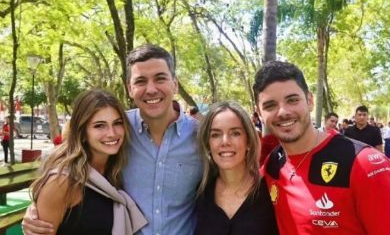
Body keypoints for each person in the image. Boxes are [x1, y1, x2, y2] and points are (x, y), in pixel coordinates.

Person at [23, 45, 202, 235]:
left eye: (160, 78)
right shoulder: (121, 126)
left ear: (175, 83)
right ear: (129, 88)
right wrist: (38, 210)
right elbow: (69, 152)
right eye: (140, 81)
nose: (151, 89)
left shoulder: (202, 136)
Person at [253, 61, 390, 234]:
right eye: (270, 105)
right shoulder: (272, 164)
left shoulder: (365, 165)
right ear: (259, 114)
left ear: (309, 101)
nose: (283, 112)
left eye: (292, 100)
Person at [28, 89, 147, 235]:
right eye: (99, 125)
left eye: (117, 123)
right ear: (82, 133)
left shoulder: (115, 172)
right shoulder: (61, 182)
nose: (112, 133)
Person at [195, 101, 278, 235]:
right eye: (215, 134)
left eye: (235, 133)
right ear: (208, 143)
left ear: (249, 141)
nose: (225, 141)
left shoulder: (271, 192)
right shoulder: (200, 193)